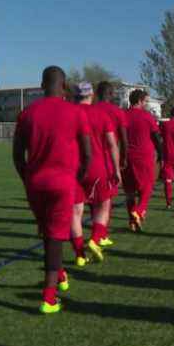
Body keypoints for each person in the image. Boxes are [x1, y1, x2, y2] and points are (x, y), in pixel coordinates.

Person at [13, 66, 92, 314]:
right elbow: (88, 154)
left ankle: (59, 274)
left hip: (35, 182)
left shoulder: (27, 113)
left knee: (48, 233)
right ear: (64, 85)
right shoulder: (75, 112)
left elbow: (17, 156)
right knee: (56, 236)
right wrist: (77, 177)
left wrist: (27, 179)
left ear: (41, 85)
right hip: (62, 182)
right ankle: (49, 297)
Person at [70, 82, 117, 267]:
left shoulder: (70, 113)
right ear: (91, 95)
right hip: (98, 167)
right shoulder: (102, 114)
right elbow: (112, 144)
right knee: (103, 205)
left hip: (73, 168)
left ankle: (80, 254)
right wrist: (116, 169)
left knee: (75, 213)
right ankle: (96, 238)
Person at [93, 81, 128, 247]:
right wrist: (124, 158)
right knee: (106, 198)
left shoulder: (90, 110)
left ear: (97, 93)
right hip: (107, 159)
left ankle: (101, 232)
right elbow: (123, 138)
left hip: (88, 158)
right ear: (111, 94)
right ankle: (99, 235)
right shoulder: (117, 112)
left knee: (94, 197)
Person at [124, 89, 161, 232]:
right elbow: (156, 137)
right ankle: (138, 212)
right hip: (143, 156)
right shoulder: (146, 116)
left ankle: (132, 222)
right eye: (145, 101)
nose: (146, 104)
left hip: (126, 156)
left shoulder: (123, 115)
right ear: (139, 101)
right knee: (147, 188)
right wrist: (161, 154)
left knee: (129, 192)